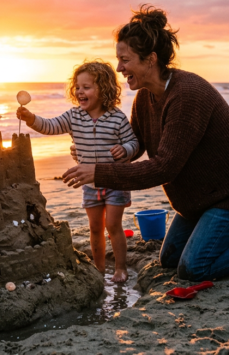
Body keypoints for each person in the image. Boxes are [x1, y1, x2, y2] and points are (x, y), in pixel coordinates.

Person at [61, 5, 229, 282]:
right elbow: (134, 143)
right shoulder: (144, 97)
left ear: (150, 59)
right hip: (199, 199)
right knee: (171, 259)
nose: (119, 68)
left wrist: (98, 172)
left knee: (194, 268)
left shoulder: (187, 95)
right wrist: (94, 149)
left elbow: (164, 167)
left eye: (125, 60)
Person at [17, 60, 139, 282]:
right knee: (94, 228)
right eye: (78, 87)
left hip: (115, 182)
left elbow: (133, 142)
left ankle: (121, 269)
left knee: (113, 225)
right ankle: (99, 269)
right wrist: (31, 119)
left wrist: (125, 149)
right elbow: (50, 125)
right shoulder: (74, 117)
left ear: (105, 89)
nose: (80, 91)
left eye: (87, 87)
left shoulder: (116, 118)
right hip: (90, 185)